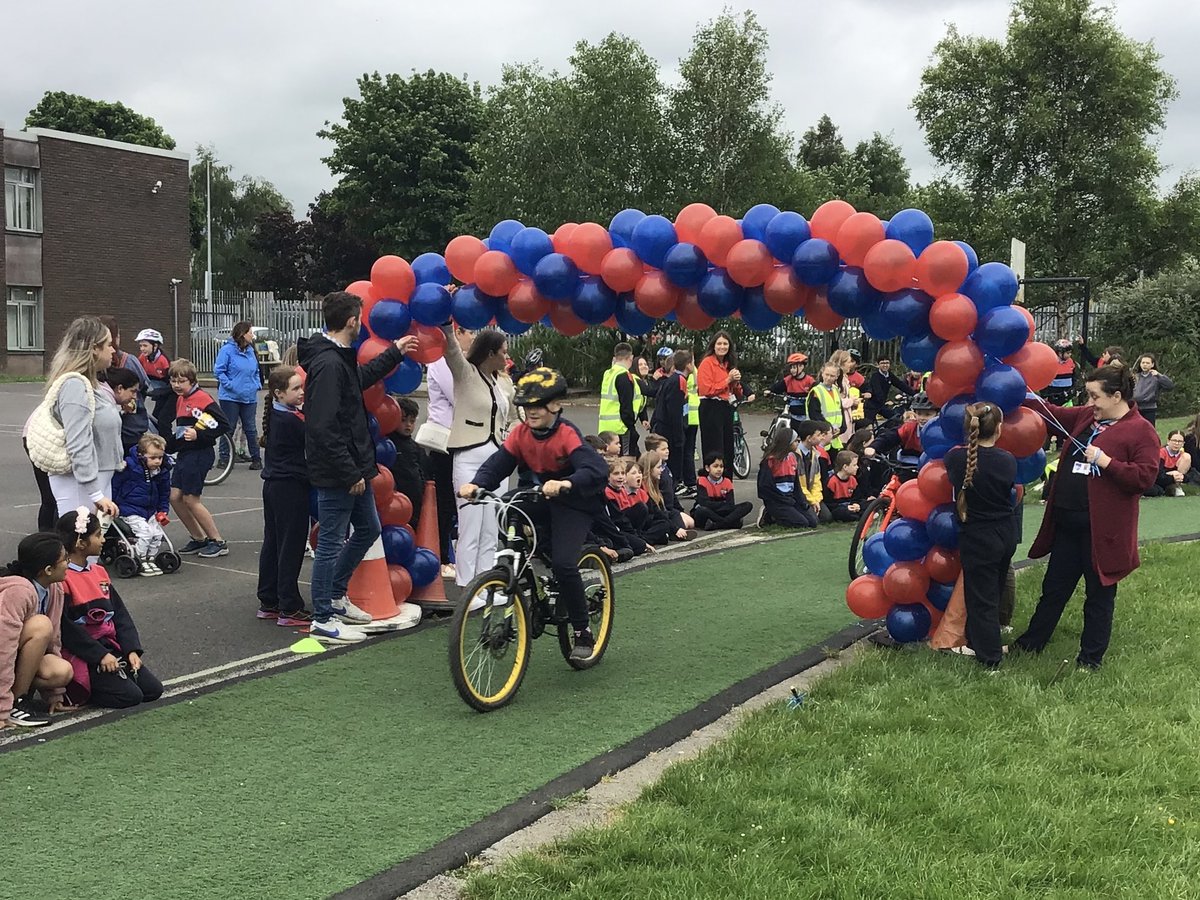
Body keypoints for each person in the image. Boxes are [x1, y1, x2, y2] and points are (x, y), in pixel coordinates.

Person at [1014, 365, 1160, 669]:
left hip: (1102, 531)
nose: (1089, 401)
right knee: (1053, 590)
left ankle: (1090, 659)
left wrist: (1107, 461)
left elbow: (1144, 478)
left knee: (1099, 596)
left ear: (1116, 395)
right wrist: (1017, 389)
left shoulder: (1140, 430)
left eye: (1095, 396)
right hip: (1068, 524)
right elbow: (1049, 413)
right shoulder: (1086, 416)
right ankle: (1030, 645)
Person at [460, 367, 608, 660]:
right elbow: (499, 463)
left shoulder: (566, 434)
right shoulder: (521, 434)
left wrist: (567, 482)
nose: (531, 412)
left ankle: (582, 631)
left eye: (537, 405)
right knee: (506, 505)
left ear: (555, 405)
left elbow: (596, 470)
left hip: (573, 502)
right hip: (537, 497)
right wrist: (477, 484)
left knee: (565, 565)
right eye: (526, 407)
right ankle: (521, 570)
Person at [298, 292, 419, 644]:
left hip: (354, 466)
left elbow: (359, 380)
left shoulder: (337, 358)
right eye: (360, 317)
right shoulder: (329, 363)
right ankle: (322, 616)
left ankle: (335, 596)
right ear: (353, 320)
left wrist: (394, 352)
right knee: (332, 541)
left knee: (368, 529)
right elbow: (321, 425)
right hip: (340, 471)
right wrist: (350, 472)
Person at [56, 510, 163, 708]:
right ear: (81, 544)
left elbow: (120, 615)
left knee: (152, 690)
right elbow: (68, 628)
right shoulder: (63, 579)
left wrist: (131, 649)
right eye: (98, 535)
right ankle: (80, 690)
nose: (103, 540)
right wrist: (99, 655)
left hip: (109, 645)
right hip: (85, 651)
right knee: (130, 697)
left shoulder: (99, 572)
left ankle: (114, 678)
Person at [441, 327, 516, 588]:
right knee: (470, 527)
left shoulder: (502, 382)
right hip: (469, 457)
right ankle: (466, 586)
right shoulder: (466, 374)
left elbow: (512, 417)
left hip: (497, 461)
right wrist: (445, 322)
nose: (507, 357)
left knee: (490, 529)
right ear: (490, 353)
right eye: (504, 352)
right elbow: (451, 350)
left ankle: (484, 584)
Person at [944, 403, 1017, 669]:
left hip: (978, 536)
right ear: (999, 429)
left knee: (981, 600)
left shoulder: (955, 459)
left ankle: (990, 658)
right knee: (993, 591)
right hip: (1005, 532)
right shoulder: (1007, 460)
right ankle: (979, 641)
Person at [35, 316, 122, 519]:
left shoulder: (92, 385)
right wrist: (95, 493)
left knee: (91, 546)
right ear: (93, 348)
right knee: (81, 546)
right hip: (81, 484)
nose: (113, 350)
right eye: (108, 345)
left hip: (95, 480)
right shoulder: (75, 386)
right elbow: (78, 442)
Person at [256, 365, 312, 627]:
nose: (302, 392)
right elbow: (314, 436)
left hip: (274, 486)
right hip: (290, 487)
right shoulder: (292, 420)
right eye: (296, 388)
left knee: (274, 542)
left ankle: (269, 600)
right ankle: (289, 606)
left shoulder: (280, 417)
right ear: (278, 394)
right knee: (290, 545)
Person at [0, 533, 73, 728]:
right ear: (48, 569)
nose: (68, 562)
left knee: (61, 672)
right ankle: (15, 703)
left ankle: (17, 699)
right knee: (41, 625)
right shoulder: (19, 590)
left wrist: (54, 696)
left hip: (13, 655)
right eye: (65, 559)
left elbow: (54, 640)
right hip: (3, 653)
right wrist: (2, 708)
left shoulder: (55, 588)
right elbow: (3, 647)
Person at [165, 358, 231, 559]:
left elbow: (223, 425)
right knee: (174, 497)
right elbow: (181, 431)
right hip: (186, 453)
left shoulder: (203, 399)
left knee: (191, 499)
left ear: (192, 381)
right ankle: (198, 537)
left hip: (200, 453)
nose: (176, 385)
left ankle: (218, 541)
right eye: (173, 380)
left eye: (181, 381)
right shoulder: (180, 399)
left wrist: (199, 435)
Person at [421, 325, 473, 578]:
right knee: (444, 499)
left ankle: (449, 549)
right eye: (469, 332)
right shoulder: (441, 361)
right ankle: (441, 555)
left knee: (454, 500)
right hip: (445, 440)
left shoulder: (456, 361)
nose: (473, 337)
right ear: (457, 333)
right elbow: (459, 395)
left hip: (458, 437)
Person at [111, 434, 172, 576]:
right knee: (146, 533)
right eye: (153, 458)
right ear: (141, 455)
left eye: (160, 457)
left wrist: (163, 510)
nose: (157, 461)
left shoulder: (161, 471)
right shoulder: (130, 467)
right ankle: (140, 557)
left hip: (150, 510)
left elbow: (164, 492)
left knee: (157, 534)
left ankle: (151, 558)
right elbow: (115, 485)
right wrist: (113, 502)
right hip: (129, 508)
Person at [213, 321, 264, 471]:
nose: (252, 335)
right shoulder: (227, 350)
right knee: (229, 426)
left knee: (251, 428)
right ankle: (224, 458)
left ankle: (256, 458)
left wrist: (256, 384)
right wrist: (230, 385)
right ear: (242, 334)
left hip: (249, 396)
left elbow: (255, 370)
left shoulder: (250, 351)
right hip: (230, 397)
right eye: (250, 332)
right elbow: (219, 371)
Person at [98, 316, 153, 450]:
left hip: (105, 433)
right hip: (131, 428)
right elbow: (145, 386)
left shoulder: (93, 367)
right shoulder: (129, 361)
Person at [697, 331, 745, 470]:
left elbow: (737, 392)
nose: (722, 346)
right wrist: (727, 380)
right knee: (714, 447)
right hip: (710, 407)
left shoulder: (728, 364)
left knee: (727, 448)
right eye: (719, 343)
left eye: (725, 344)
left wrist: (736, 382)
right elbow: (707, 389)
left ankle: (727, 483)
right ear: (713, 345)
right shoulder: (707, 363)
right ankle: (711, 483)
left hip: (725, 407)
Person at [757, 427, 817, 528]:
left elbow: (796, 485)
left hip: (790, 498)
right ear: (788, 442)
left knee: (813, 522)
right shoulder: (770, 461)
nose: (798, 443)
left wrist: (803, 503)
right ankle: (769, 515)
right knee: (801, 523)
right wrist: (782, 499)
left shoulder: (793, 458)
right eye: (795, 441)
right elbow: (764, 487)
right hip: (777, 501)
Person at [650, 350, 692, 490]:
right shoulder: (678, 381)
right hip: (670, 430)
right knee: (673, 464)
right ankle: (671, 491)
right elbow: (674, 410)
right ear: (688, 365)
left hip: (666, 426)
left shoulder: (672, 379)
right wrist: (679, 435)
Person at [386, 396, 429, 527]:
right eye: (403, 420)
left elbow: (424, 471)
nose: (408, 425)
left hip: (415, 499)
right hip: (394, 499)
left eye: (412, 421)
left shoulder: (416, 448)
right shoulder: (388, 444)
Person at [867, 391, 939, 469]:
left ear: (937, 414)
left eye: (927, 414)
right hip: (906, 469)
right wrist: (873, 447)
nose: (922, 418)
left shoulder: (943, 431)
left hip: (933, 470)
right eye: (919, 413)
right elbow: (889, 437)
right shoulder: (909, 428)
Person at [598, 342, 643, 457]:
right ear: (631, 358)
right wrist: (631, 427)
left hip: (604, 427)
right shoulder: (624, 375)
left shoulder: (608, 373)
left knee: (609, 460)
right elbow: (626, 406)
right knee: (624, 461)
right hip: (620, 429)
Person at [643, 433, 695, 532]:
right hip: (663, 511)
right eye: (663, 449)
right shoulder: (653, 473)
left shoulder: (666, 468)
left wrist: (680, 510)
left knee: (691, 522)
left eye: (667, 448)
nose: (667, 451)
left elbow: (671, 491)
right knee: (681, 526)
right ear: (653, 452)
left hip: (671, 509)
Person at [638, 452, 694, 541]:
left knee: (674, 516)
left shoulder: (655, 484)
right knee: (664, 524)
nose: (661, 470)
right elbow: (656, 513)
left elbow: (662, 510)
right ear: (650, 469)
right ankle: (645, 539)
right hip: (646, 521)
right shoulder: (643, 488)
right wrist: (675, 528)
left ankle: (668, 534)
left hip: (655, 518)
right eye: (659, 467)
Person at [692, 452, 752, 530]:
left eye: (721, 466)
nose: (719, 469)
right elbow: (704, 503)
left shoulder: (727, 482)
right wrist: (722, 504)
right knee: (701, 510)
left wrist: (722, 506)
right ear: (707, 468)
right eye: (715, 466)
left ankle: (718, 524)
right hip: (708, 511)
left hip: (723, 511)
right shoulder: (702, 480)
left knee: (747, 505)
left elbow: (730, 504)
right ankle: (730, 522)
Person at [137, 327, 173, 433]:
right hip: (158, 391)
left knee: (163, 420)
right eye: (140, 346)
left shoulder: (163, 361)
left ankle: (168, 445)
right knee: (155, 419)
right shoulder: (142, 358)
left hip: (171, 393)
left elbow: (173, 384)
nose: (142, 349)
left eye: (145, 346)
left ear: (155, 346)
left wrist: (158, 392)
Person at [807, 363, 850, 450]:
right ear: (822, 373)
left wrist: (842, 428)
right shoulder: (816, 391)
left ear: (837, 377)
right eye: (827, 374)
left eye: (832, 376)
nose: (828, 378)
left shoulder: (835, 390)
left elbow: (840, 411)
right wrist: (829, 428)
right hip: (820, 438)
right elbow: (815, 415)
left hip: (834, 439)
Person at [795, 420, 831, 523]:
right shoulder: (795, 455)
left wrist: (816, 499)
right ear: (809, 438)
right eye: (819, 435)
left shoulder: (815, 454)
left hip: (811, 495)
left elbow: (816, 480)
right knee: (811, 521)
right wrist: (811, 500)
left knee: (826, 517)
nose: (821, 438)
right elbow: (800, 485)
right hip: (800, 495)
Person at [863, 357, 915, 426]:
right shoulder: (875, 376)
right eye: (882, 363)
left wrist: (914, 394)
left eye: (887, 363)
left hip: (882, 405)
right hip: (872, 406)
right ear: (878, 365)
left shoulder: (889, 375)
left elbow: (900, 384)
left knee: (895, 419)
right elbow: (878, 391)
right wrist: (889, 401)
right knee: (869, 425)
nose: (885, 365)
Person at [767, 352, 814, 428]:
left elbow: (818, 391)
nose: (792, 370)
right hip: (791, 413)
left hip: (805, 414)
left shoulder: (809, 380)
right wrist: (769, 391)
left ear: (801, 366)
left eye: (794, 367)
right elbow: (777, 387)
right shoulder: (788, 380)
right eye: (791, 368)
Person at [824, 450, 869, 522]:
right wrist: (846, 507)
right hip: (838, 507)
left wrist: (856, 505)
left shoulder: (853, 480)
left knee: (868, 503)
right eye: (854, 465)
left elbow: (857, 497)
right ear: (845, 467)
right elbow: (828, 503)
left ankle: (861, 514)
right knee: (843, 513)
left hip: (851, 505)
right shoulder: (832, 481)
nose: (857, 467)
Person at [1145, 430, 1192, 497]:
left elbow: (1191, 474)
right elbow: (1157, 474)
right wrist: (1172, 476)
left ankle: (1177, 486)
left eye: (1180, 441)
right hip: (1161, 478)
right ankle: (1172, 487)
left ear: (1183, 443)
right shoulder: (1161, 453)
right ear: (1168, 441)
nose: (1176, 443)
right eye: (1174, 440)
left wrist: (1183, 477)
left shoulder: (1183, 456)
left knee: (1187, 457)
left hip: (1175, 478)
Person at [1130, 353, 1174, 426]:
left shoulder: (1156, 377)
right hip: (1136, 408)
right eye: (1143, 362)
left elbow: (1170, 386)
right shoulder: (1136, 376)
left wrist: (1159, 376)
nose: (1145, 365)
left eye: (1147, 363)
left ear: (1152, 364)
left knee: (1149, 429)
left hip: (1149, 409)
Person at [1043, 339, 1078, 407]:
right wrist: (1045, 394)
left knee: (1068, 413)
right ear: (1059, 353)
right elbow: (1045, 379)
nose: (1069, 355)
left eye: (1070, 353)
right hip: (1054, 395)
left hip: (1067, 395)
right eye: (1067, 353)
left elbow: (1074, 376)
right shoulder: (1052, 363)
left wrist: (1073, 388)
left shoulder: (1071, 362)